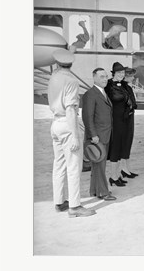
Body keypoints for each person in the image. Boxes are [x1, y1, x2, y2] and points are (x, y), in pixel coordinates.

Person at [47, 49, 96, 217]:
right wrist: (75, 136)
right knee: (74, 166)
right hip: (68, 124)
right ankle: (75, 207)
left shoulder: (54, 77)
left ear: (57, 63)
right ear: (71, 63)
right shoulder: (71, 81)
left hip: (55, 123)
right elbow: (70, 109)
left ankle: (59, 202)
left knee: (58, 165)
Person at [82, 68, 116, 201]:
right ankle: (103, 192)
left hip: (104, 134)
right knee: (100, 165)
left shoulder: (102, 92)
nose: (105, 79)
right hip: (98, 136)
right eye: (101, 76)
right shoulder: (91, 94)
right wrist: (93, 135)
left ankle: (95, 190)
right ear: (94, 77)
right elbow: (87, 117)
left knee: (97, 165)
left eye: (106, 76)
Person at [105, 62, 138, 186]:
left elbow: (132, 100)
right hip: (116, 119)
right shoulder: (108, 85)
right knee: (116, 146)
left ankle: (122, 171)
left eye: (123, 73)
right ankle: (113, 176)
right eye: (119, 73)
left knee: (126, 142)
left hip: (127, 118)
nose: (121, 75)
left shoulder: (125, 85)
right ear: (114, 73)